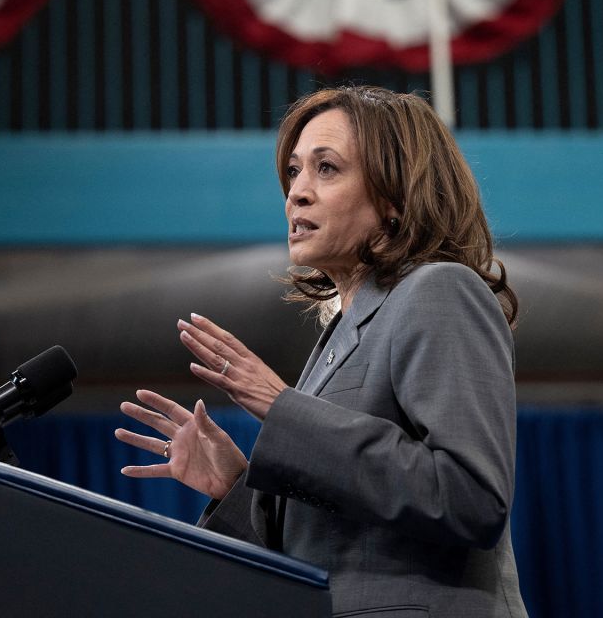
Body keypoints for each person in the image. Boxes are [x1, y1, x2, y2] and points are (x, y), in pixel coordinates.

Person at [115, 86, 527, 617]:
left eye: (326, 169)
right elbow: (328, 548)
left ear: (394, 197)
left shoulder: (439, 290)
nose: (297, 193)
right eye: (293, 172)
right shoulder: (338, 337)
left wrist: (281, 408)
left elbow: (470, 498)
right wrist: (237, 486)